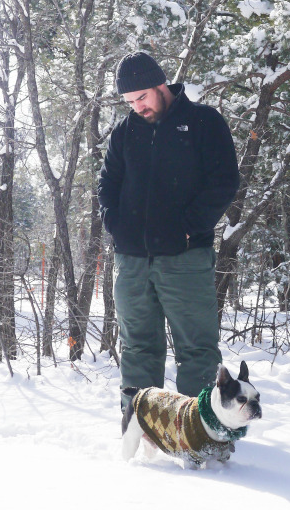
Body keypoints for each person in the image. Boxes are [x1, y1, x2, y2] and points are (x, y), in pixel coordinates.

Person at [98, 51, 240, 408]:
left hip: (185, 258)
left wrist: (189, 230)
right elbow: (107, 183)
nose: (137, 107)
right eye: (129, 102)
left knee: (196, 350)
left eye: (142, 97)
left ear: (161, 85)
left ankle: (202, 440)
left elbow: (223, 182)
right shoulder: (124, 131)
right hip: (131, 263)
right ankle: (143, 433)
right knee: (138, 349)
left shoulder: (203, 122)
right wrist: (116, 226)